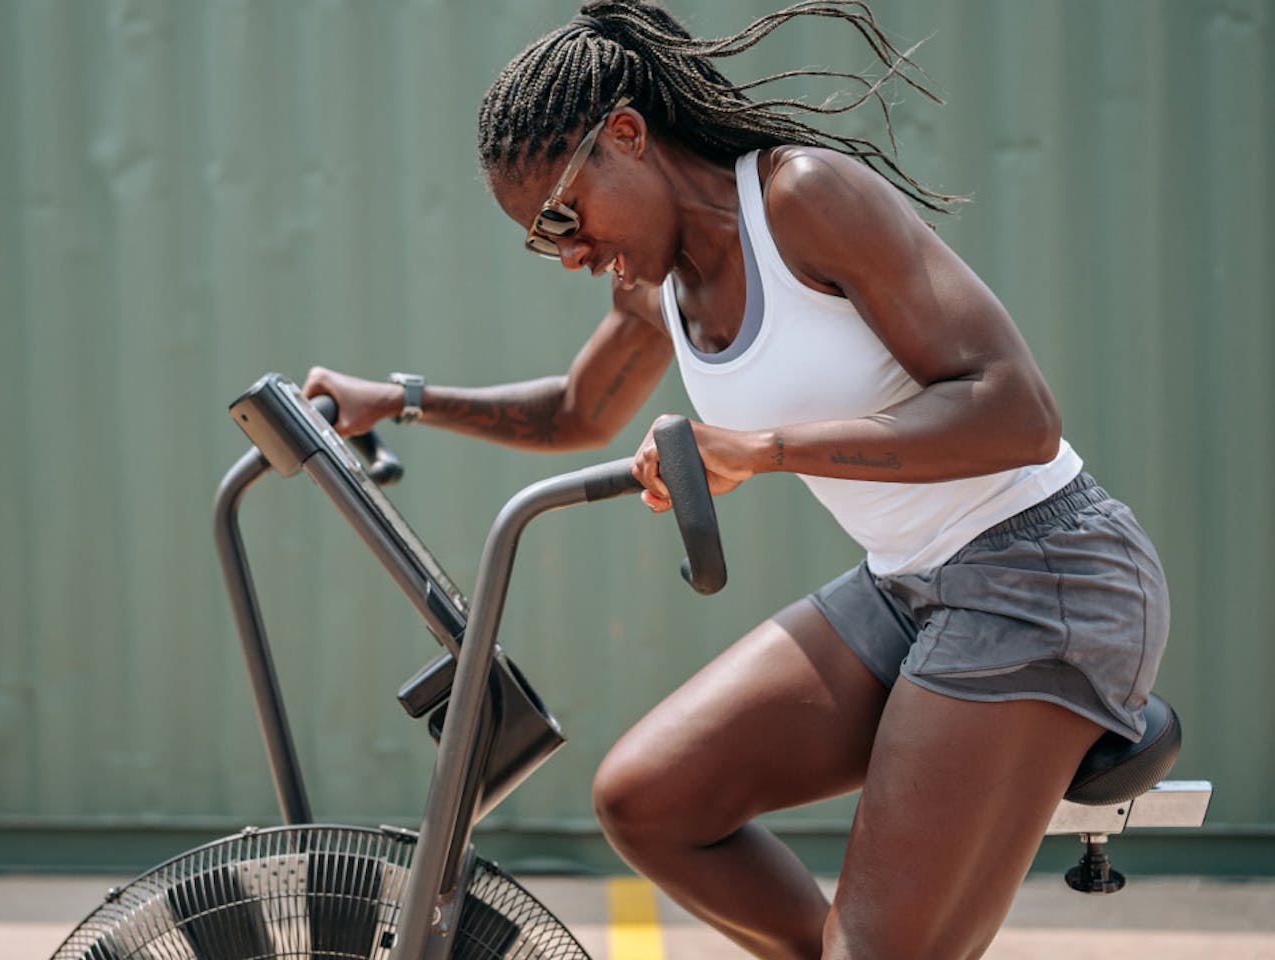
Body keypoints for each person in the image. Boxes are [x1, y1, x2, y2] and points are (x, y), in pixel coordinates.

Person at [304, 2, 1170, 957]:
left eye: (564, 216)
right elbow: (573, 413)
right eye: (544, 242)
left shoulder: (801, 199)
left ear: (626, 137)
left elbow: (1014, 412)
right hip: (908, 585)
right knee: (649, 800)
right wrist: (402, 398)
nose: (573, 255)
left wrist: (763, 448)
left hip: (1044, 573)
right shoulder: (653, 285)